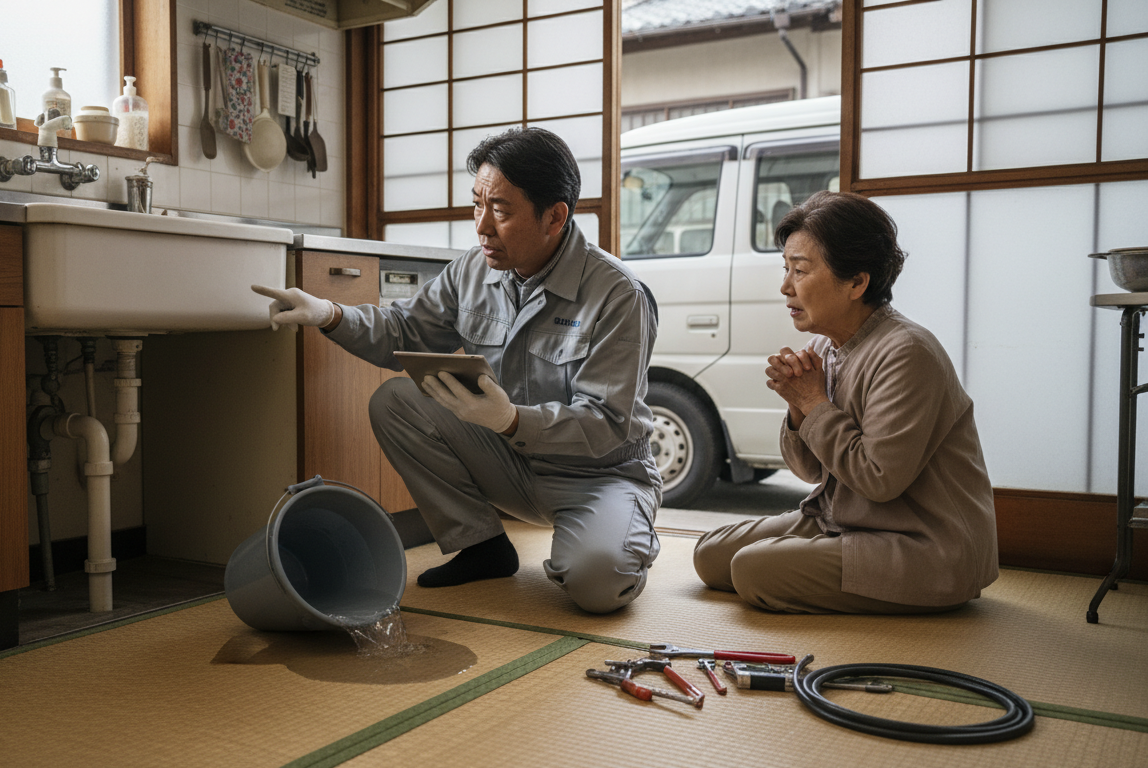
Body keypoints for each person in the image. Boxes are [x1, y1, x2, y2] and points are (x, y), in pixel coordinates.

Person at [252, 127, 662, 614]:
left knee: (597, 585)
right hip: (511, 462)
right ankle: (482, 545)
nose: (482, 226)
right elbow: (405, 330)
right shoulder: (472, 270)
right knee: (397, 401)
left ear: (555, 216)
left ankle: (622, 532)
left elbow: (607, 422)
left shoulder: (618, 294)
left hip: (600, 476)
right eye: (477, 205)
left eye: (501, 211)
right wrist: (330, 314)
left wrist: (511, 420)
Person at [693, 191, 999, 614]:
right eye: (786, 269)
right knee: (710, 555)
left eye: (800, 270)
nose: (785, 287)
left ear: (857, 282)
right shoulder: (824, 347)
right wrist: (798, 406)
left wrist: (813, 401)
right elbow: (808, 471)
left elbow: (878, 480)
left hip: (923, 544)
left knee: (751, 570)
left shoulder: (907, 352)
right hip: (841, 523)